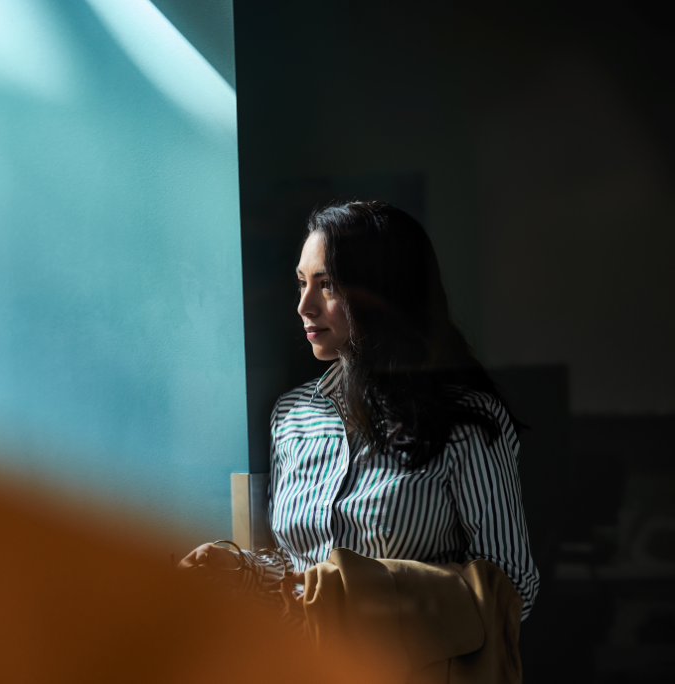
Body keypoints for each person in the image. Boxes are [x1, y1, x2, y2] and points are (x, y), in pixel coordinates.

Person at [180, 201, 539, 623]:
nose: (304, 306)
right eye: (301, 283)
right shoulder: (293, 416)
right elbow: (298, 570)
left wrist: (367, 597)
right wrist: (241, 572)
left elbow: (512, 586)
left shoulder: (465, 422)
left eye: (327, 284)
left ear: (384, 294)